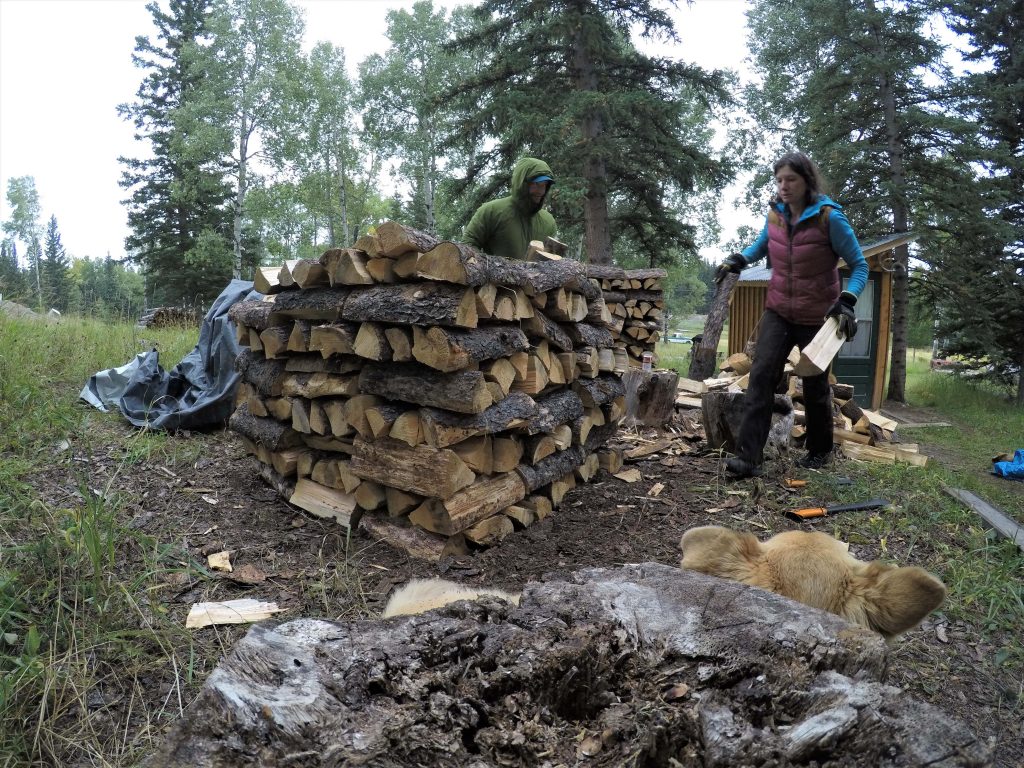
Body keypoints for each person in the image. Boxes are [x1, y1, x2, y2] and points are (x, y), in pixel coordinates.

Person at [716, 151, 868, 478]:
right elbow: (763, 244)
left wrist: (848, 300)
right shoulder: (776, 216)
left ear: (807, 181)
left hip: (818, 316)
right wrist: (740, 259)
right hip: (779, 310)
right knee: (760, 379)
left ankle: (819, 450)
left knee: (814, 386)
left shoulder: (830, 218)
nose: (783, 186)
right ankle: (748, 459)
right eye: (779, 180)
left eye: (791, 180)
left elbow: (860, 265)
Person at [463, 157, 557, 260]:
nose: (541, 191)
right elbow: (467, 246)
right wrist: (484, 268)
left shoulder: (548, 222)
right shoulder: (492, 211)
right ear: (522, 184)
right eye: (536, 184)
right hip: (494, 275)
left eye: (544, 185)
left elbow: (552, 262)